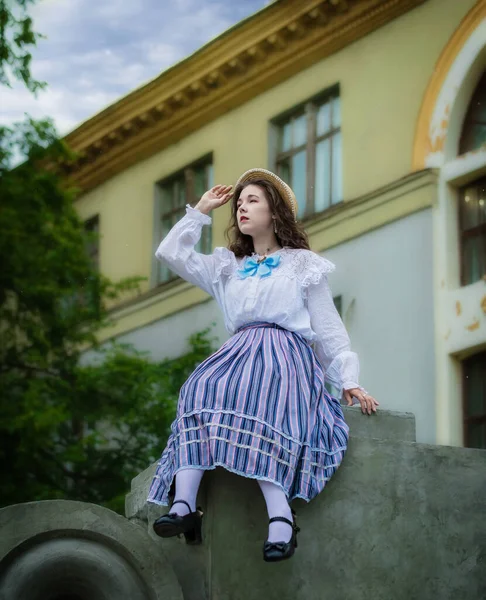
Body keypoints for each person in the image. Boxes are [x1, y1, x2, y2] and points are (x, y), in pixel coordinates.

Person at [146, 168, 379, 562]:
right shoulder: (227, 266)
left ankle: (281, 519)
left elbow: (327, 327)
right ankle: (184, 505)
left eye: (252, 200)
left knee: (264, 391)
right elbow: (170, 253)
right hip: (238, 351)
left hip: (285, 354)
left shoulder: (302, 264)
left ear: (275, 211)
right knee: (199, 388)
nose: (241, 207)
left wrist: (348, 379)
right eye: (238, 203)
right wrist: (201, 210)